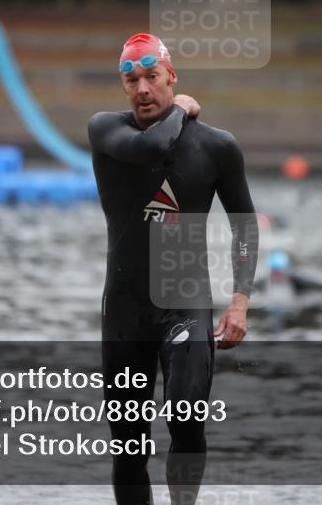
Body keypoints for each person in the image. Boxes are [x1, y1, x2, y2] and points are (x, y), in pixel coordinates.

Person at [87, 33, 259, 505]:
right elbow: (153, 147)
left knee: (185, 419)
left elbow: (244, 226)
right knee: (128, 446)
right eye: (132, 79)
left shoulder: (218, 148)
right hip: (124, 310)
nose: (142, 89)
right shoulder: (107, 131)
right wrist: (180, 109)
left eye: (152, 77)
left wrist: (240, 301)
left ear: (171, 75)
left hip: (185, 300)